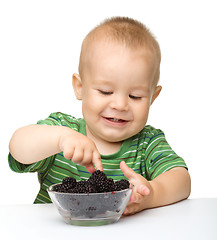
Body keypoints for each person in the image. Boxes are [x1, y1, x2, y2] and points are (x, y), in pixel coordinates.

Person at [8, 16, 191, 215]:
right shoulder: (61, 130)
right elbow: (18, 149)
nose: (120, 105)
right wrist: (60, 139)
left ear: (152, 98)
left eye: (135, 96)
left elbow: (181, 179)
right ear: (80, 87)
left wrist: (152, 194)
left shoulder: (147, 144)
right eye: (105, 91)